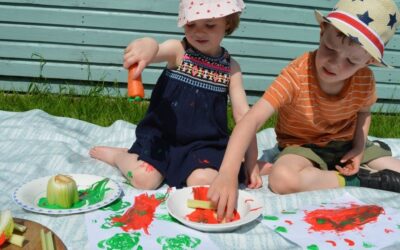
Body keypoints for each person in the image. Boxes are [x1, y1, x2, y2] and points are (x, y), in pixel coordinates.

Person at [208, 0, 400, 221]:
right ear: (322, 31)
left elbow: (364, 113)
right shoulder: (296, 76)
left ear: (368, 61)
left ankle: (352, 169)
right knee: (282, 179)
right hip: (303, 147)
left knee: (394, 166)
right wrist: (228, 173)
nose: (335, 64)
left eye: (351, 60)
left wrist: (358, 148)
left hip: (346, 143)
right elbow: (250, 121)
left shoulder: (365, 80)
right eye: (329, 48)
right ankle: (362, 179)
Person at [90, 0, 266, 190]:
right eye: (191, 24)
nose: (199, 32)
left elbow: (244, 117)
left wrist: (251, 162)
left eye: (209, 24)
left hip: (204, 144)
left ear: (228, 24)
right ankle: (120, 156)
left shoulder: (231, 68)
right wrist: (147, 45)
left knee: (204, 182)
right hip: (163, 138)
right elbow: (156, 49)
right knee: (144, 179)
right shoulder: (179, 51)